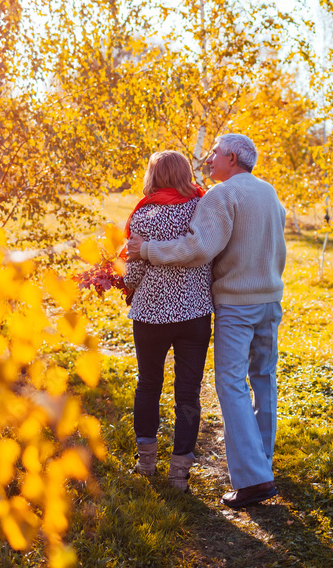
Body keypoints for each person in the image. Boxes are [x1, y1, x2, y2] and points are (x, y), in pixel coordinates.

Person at [127, 133, 286, 508]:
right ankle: (262, 466)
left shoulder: (222, 195)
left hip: (237, 303)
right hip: (270, 299)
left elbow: (197, 249)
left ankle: (251, 481)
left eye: (214, 154)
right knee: (264, 380)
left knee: (230, 384)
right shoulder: (269, 192)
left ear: (232, 158)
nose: (209, 160)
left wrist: (145, 249)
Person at [123, 150, 212, 492]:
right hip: (194, 313)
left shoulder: (145, 214)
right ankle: (179, 472)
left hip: (151, 314)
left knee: (148, 384)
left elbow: (133, 269)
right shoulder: (203, 209)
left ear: (155, 175)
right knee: (188, 392)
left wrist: (129, 287)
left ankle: (146, 462)